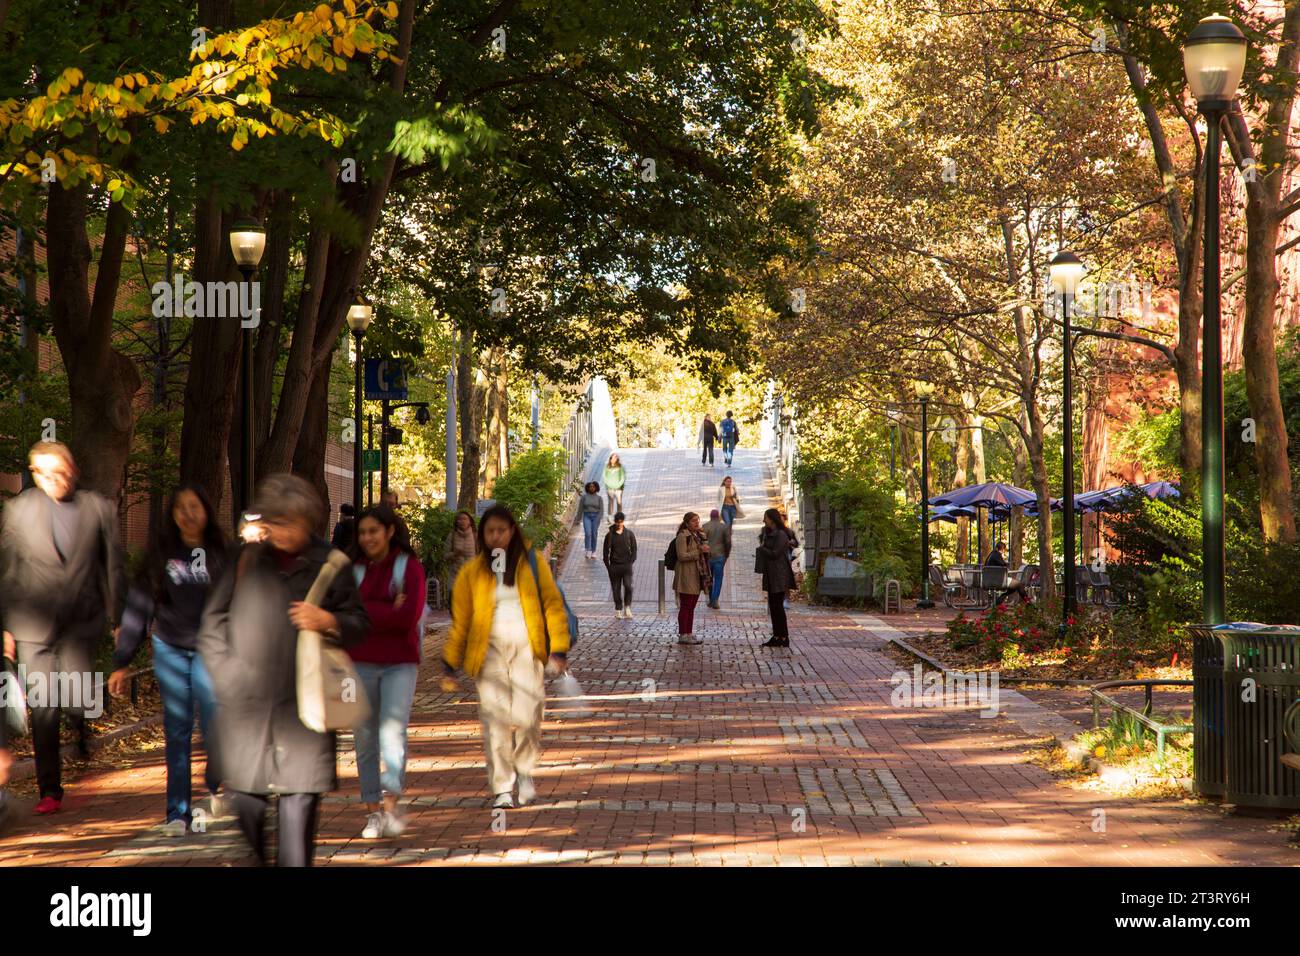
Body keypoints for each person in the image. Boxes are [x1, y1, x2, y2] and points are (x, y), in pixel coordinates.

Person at [198, 474, 369, 867]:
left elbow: (360, 624)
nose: (282, 530)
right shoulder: (245, 559)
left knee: (297, 818)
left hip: (305, 709)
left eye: (291, 522)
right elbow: (212, 623)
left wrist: (327, 619)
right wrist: (228, 674)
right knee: (248, 808)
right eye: (276, 521)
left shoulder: (331, 563)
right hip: (246, 708)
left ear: (308, 522)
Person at [0, 440, 126, 815]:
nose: (56, 479)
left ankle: (82, 727)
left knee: (76, 694)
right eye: (46, 473)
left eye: (62, 471)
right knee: (42, 706)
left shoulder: (98, 509)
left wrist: (119, 619)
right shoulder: (18, 511)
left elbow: (113, 568)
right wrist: (5, 627)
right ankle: (49, 790)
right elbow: (7, 573)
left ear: (73, 468)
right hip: (32, 626)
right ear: (34, 474)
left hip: (80, 623)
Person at [108, 484, 231, 835]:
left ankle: (213, 783)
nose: (188, 513)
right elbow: (139, 607)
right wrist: (123, 660)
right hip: (170, 647)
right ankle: (178, 812)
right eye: (181, 508)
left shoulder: (223, 553)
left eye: (195, 506)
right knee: (177, 728)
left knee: (212, 722)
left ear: (207, 510)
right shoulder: (161, 554)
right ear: (173, 515)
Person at [441, 505, 571, 809]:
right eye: (490, 531)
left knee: (528, 715)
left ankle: (524, 770)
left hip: (528, 648)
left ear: (512, 531)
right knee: (495, 718)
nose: (496, 536)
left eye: (502, 530)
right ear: (482, 535)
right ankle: (502, 786)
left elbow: (553, 606)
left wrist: (559, 649)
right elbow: (461, 622)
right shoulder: (472, 573)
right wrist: (449, 662)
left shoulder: (532, 563)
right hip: (489, 653)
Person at [348, 506, 425, 840]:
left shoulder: (409, 567)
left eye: (373, 532)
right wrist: (385, 609)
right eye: (362, 533)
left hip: (399, 663)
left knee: (393, 732)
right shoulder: (353, 569)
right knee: (364, 738)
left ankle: (391, 805)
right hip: (358, 662)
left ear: (389, 531)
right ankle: (372, 812)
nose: (367, 539)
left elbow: (407, 618)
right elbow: (344, 617)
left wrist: (367, 613)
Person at [758, 508, 798, 648]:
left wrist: (762, 548)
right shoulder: (768, 533)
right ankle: (777, 635)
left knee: (778, 607)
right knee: (773, 607)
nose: (764, 521)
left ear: (772, 519)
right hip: (771, 573)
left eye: (766, 518)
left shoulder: (781, 534)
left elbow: (775, 553)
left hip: (779, 574)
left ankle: (783, 637)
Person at [672, 512, 711, 644]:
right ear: (687, 523)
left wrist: (703, 538)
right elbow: (682, 556)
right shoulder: (683, 536)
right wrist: (699, 551)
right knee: (686, 606)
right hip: (686, 575)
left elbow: (704, 546)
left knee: (692, 606)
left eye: (698, 520)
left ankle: (689, 633)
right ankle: (683, 634)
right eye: (694, 521)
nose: (697, 523)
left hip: (697, 574)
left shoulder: (696, 535)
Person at [602, 511, 638, 619]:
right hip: (614, 566)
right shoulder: (609, 535)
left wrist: (631, 561)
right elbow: (605, 552)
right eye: (617, 522)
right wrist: (608, 566)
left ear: (623, 522)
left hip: (626, 566)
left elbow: (634, 549)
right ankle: (618, 608)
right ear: (615, 522)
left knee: (628, 586)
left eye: (621, 522)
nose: (619, 524)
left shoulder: (629, 534)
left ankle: (627, 607)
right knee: (616, 589)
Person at [702, 509, 731, 610]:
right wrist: (727, 554)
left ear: (710, 516)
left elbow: (701, 542)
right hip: (720, 556)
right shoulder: (724, 527)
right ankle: (715, 599)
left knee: (709, 578)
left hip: (708, 557)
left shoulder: (705, 526)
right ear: (718, 516)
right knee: (718, 579)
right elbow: (728, 542)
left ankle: (711, 598)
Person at [445, 510, 479, 593]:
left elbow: (481, 554)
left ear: (470, 521)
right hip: (455, 577)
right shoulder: (452, 535)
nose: (462, 521)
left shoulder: (475, 536)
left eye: (465, 519)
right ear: (456, 522)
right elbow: (445, 556)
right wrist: (454, 554)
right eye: (459, 519)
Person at [580, 481, 603, 559]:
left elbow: (601, 510)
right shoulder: (584, 497)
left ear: (596, 488)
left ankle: (593, 551)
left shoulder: (599, 498)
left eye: (593, 486)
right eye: (590, 486)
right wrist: (578, 519)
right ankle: (588, 549)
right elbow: (580, 509)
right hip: (587, 516)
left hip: (595, 517)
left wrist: (598, 518)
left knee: (594, 533)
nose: (592, 488)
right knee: (588, 533)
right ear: (588, 487)